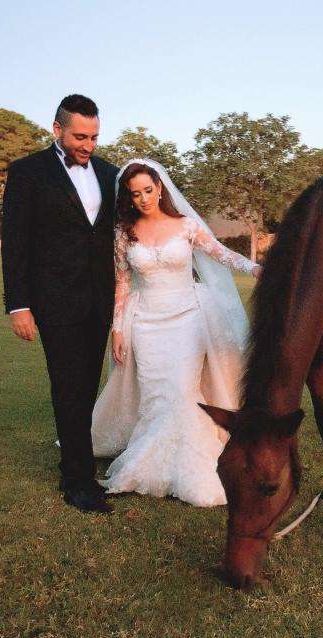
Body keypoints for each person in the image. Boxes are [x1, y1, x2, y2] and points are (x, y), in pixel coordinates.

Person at [90, 160, 261, 507]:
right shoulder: (125, 232)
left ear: (160, 188)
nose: (143, 198)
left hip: (187, 320)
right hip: (145, 323)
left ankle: (192, 471)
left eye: (148, 190)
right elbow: (122, 283)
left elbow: (220, 253)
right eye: (135, 194)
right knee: (156, 396)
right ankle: (149, 464)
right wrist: (118, 330)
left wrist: (253, 267)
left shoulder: (185, 225)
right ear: (128, 197)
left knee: (182, 392)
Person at [1, 95, 119, 514]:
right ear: (57, 129)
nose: (88, 145)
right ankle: (77, 482)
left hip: (99, 302)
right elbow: (15, 242)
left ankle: (80, 466)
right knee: (69, 389)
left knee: (86, 389)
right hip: (55, 301)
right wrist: (18, 305)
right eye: (80, 137)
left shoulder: (109, 174)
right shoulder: (27, 173)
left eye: (94, 137)